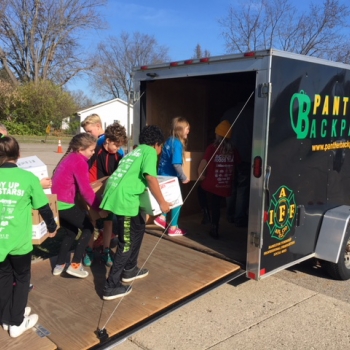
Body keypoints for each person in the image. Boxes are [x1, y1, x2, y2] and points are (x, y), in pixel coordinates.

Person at [100, 125, 170, 300]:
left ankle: (130, 269)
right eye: (161, 147)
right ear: (156, 144)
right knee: (126, 243)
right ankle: (111, 286)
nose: (160, 151)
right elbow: (150, 177)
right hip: (125, 199)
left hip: (117, 193)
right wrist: (162, 203)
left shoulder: (135, 152)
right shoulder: (150, 152)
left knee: (138, 226)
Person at [0, 136, 57, 338]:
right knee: (22, 278)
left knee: (4, 278)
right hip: (19, 242)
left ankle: (6, 316)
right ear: (19, 155)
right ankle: (16, 322)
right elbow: (43, 207)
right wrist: (52, 227)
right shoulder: (28, 178)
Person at [51, 133, 108, 278]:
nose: (93, 153)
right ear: (81, 148)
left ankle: (60, 264)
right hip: (65, 204)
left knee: (71, 232)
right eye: (91, 150)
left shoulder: (70, 157)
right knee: (88, 227)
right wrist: (99, 208)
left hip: (57, 203)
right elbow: (86, 192)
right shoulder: (80, 162)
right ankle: (75, 264)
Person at [83, 122, 127, 268]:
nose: (119, 149)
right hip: (94, 191)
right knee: (92, 221)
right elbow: (86, 170)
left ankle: (106, 251)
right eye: (117, 145)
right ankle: (88, 250)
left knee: (108, 222)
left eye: (121, 146)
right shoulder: (95, 151)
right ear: (108, 141)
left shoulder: (119, 155)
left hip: (109, 191)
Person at [197, 120, 240, 239]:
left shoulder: (212, 148)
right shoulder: (233, 150)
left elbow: (203, 162)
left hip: (211, 183)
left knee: (200, 191)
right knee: (217, 206)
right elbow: (238, 163)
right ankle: (214, 228)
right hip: (225, 184)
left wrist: (201, 175)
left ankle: (206, 214)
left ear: (218, 135)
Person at [155, 117, 190, 236]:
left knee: (169, 200)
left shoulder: (169, 140)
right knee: (177, 201)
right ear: (181, 130)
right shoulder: (178, 144)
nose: (188, 131)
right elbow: (176, 164)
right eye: (187, 129)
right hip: (171, 177)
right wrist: (183, 177)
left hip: (162, 174)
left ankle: (163, 218)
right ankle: (172, 228)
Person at [222, 101, 254, 227]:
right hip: (245, 155)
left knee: (230, 185)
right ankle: (239, 216)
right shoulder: (253, 113)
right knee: (243, 187)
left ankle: (229, 214)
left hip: (228, 155)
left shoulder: (228, 113)